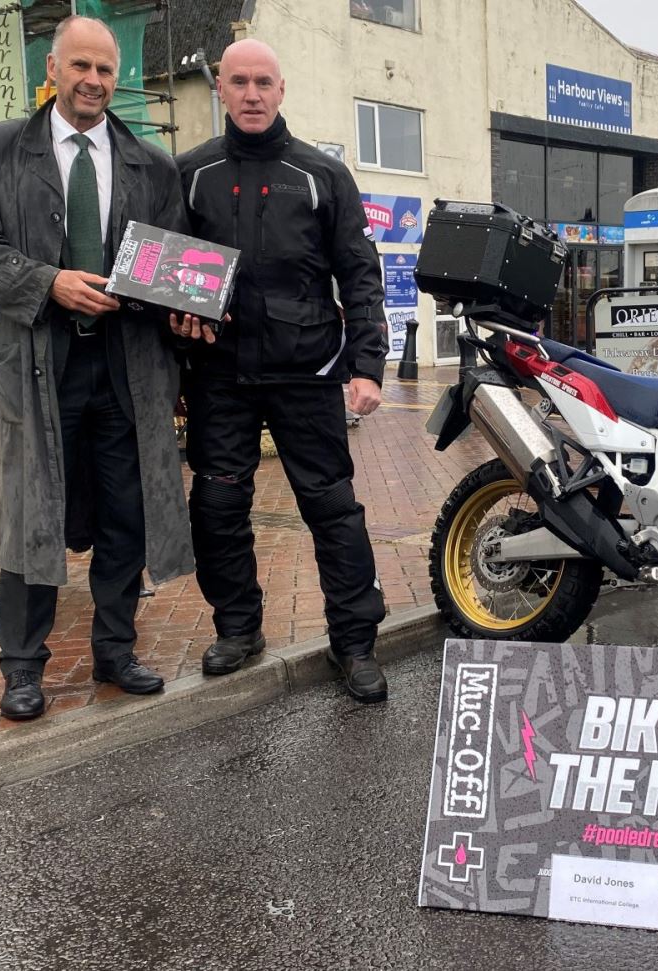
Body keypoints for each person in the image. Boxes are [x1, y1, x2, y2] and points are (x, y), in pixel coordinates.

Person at [0, 15, 196, 721]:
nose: (93, 81)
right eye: (79, 66)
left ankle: (115, 648)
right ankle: (22, 667)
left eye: (106, 70)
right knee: (31, 516)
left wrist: (190, 304)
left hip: (125, 365)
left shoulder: (151, 164)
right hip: (38, 361)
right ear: (52, 68)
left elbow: (172, 262)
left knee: (126, 513)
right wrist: (45, 281)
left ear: (119, 77)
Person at [174, 39, 390, 703]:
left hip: (308, 371)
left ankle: (353, 642)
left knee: (332, 509)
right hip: (220, 375)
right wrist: (177, 316)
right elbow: (169, 266)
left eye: (262, 81)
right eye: (237, 82)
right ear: (221, 90)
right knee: (215, 506)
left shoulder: (323, 175)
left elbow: (358, 272)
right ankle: (239, 628)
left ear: (282, 88)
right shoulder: (190, 172)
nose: (250, 94)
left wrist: (368, 364)